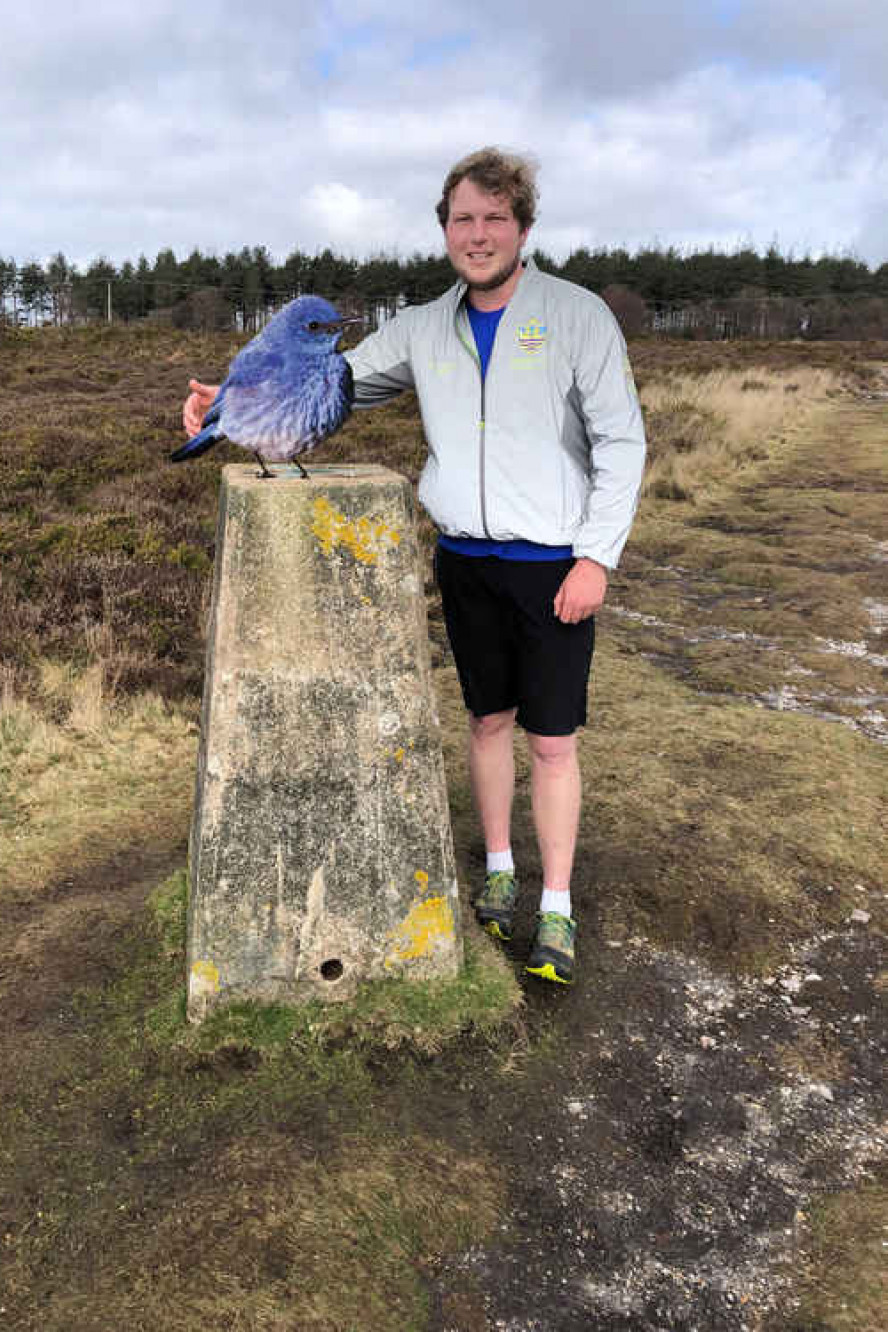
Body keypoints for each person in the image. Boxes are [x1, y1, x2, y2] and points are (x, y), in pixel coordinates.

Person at [183, 147, 646, 985]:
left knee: (551, 743)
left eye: (495, 219)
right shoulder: (423, 326)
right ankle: (500, 870)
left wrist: (596, 559)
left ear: (523, 228)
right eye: (463, 219)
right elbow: (327, 380)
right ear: (445, 231)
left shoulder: (578, 316)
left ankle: (558, 910)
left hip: (553, 566)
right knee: (485, 724)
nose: (479, 234)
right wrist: (224, 404)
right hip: (464, 558)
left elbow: (622, 440)